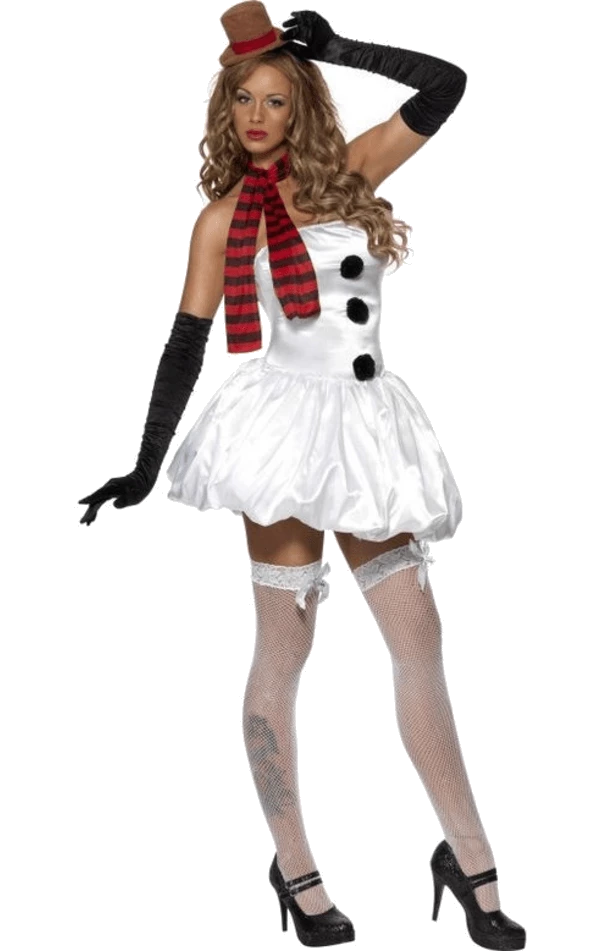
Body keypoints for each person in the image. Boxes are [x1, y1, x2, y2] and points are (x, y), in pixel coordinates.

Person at [79, 4, 526, 949]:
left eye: (276, 99)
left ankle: (470, 859)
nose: (257, 115)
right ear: (224, 110)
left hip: (361, 430)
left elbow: (448, 85)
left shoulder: (351, 172)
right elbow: (187, 344)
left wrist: (342, 49)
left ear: (301, 107)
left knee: (419, 639)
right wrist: (145, 464)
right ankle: (295, 868)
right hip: (284, 430)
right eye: (242, 99)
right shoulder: (223, 220)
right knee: (282, 652)